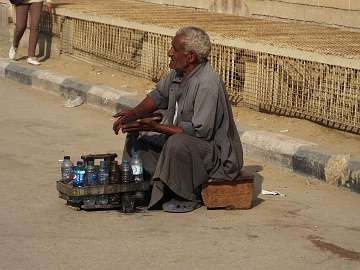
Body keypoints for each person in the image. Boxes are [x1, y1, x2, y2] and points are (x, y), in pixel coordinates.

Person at [113, 26, 243, 213]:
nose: (169, 53)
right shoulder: (178, 73)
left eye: (174, 49)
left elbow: (200, 133)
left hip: (214, 156)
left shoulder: (207, 84)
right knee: (137, 132)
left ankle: (186, 195)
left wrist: (157, 127)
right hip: (188, 144)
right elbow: (158, 96)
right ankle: (142, 186)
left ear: (190, 57)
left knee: (177, 143)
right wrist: (133, 115)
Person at [8, 0, 53, 65]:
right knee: (20, 26)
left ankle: (31, 56)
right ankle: (14, 46)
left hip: (37, 1)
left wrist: (49, 1)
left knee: (35, 25)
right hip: (22, 1)